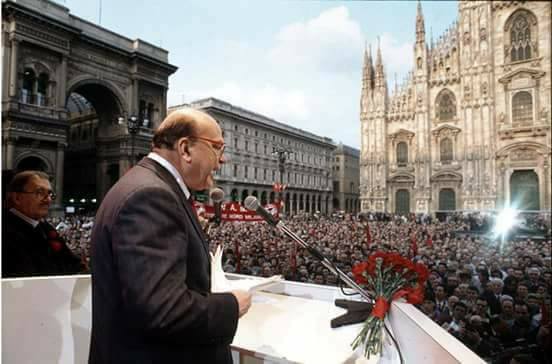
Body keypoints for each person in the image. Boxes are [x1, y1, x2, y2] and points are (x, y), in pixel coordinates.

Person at [89, 108, 252, 364]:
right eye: (218, 147)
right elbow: (163, 310)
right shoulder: (151, 196)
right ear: (185, 149)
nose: (223, 160)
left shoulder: (148, 185)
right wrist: (231, 305)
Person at [2, 170, 84, 277]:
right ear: (17, 198)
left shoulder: (46, 228)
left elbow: (73, 264)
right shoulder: (5, 230)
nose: (48, 200)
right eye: (40, 193)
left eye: (50, 194)